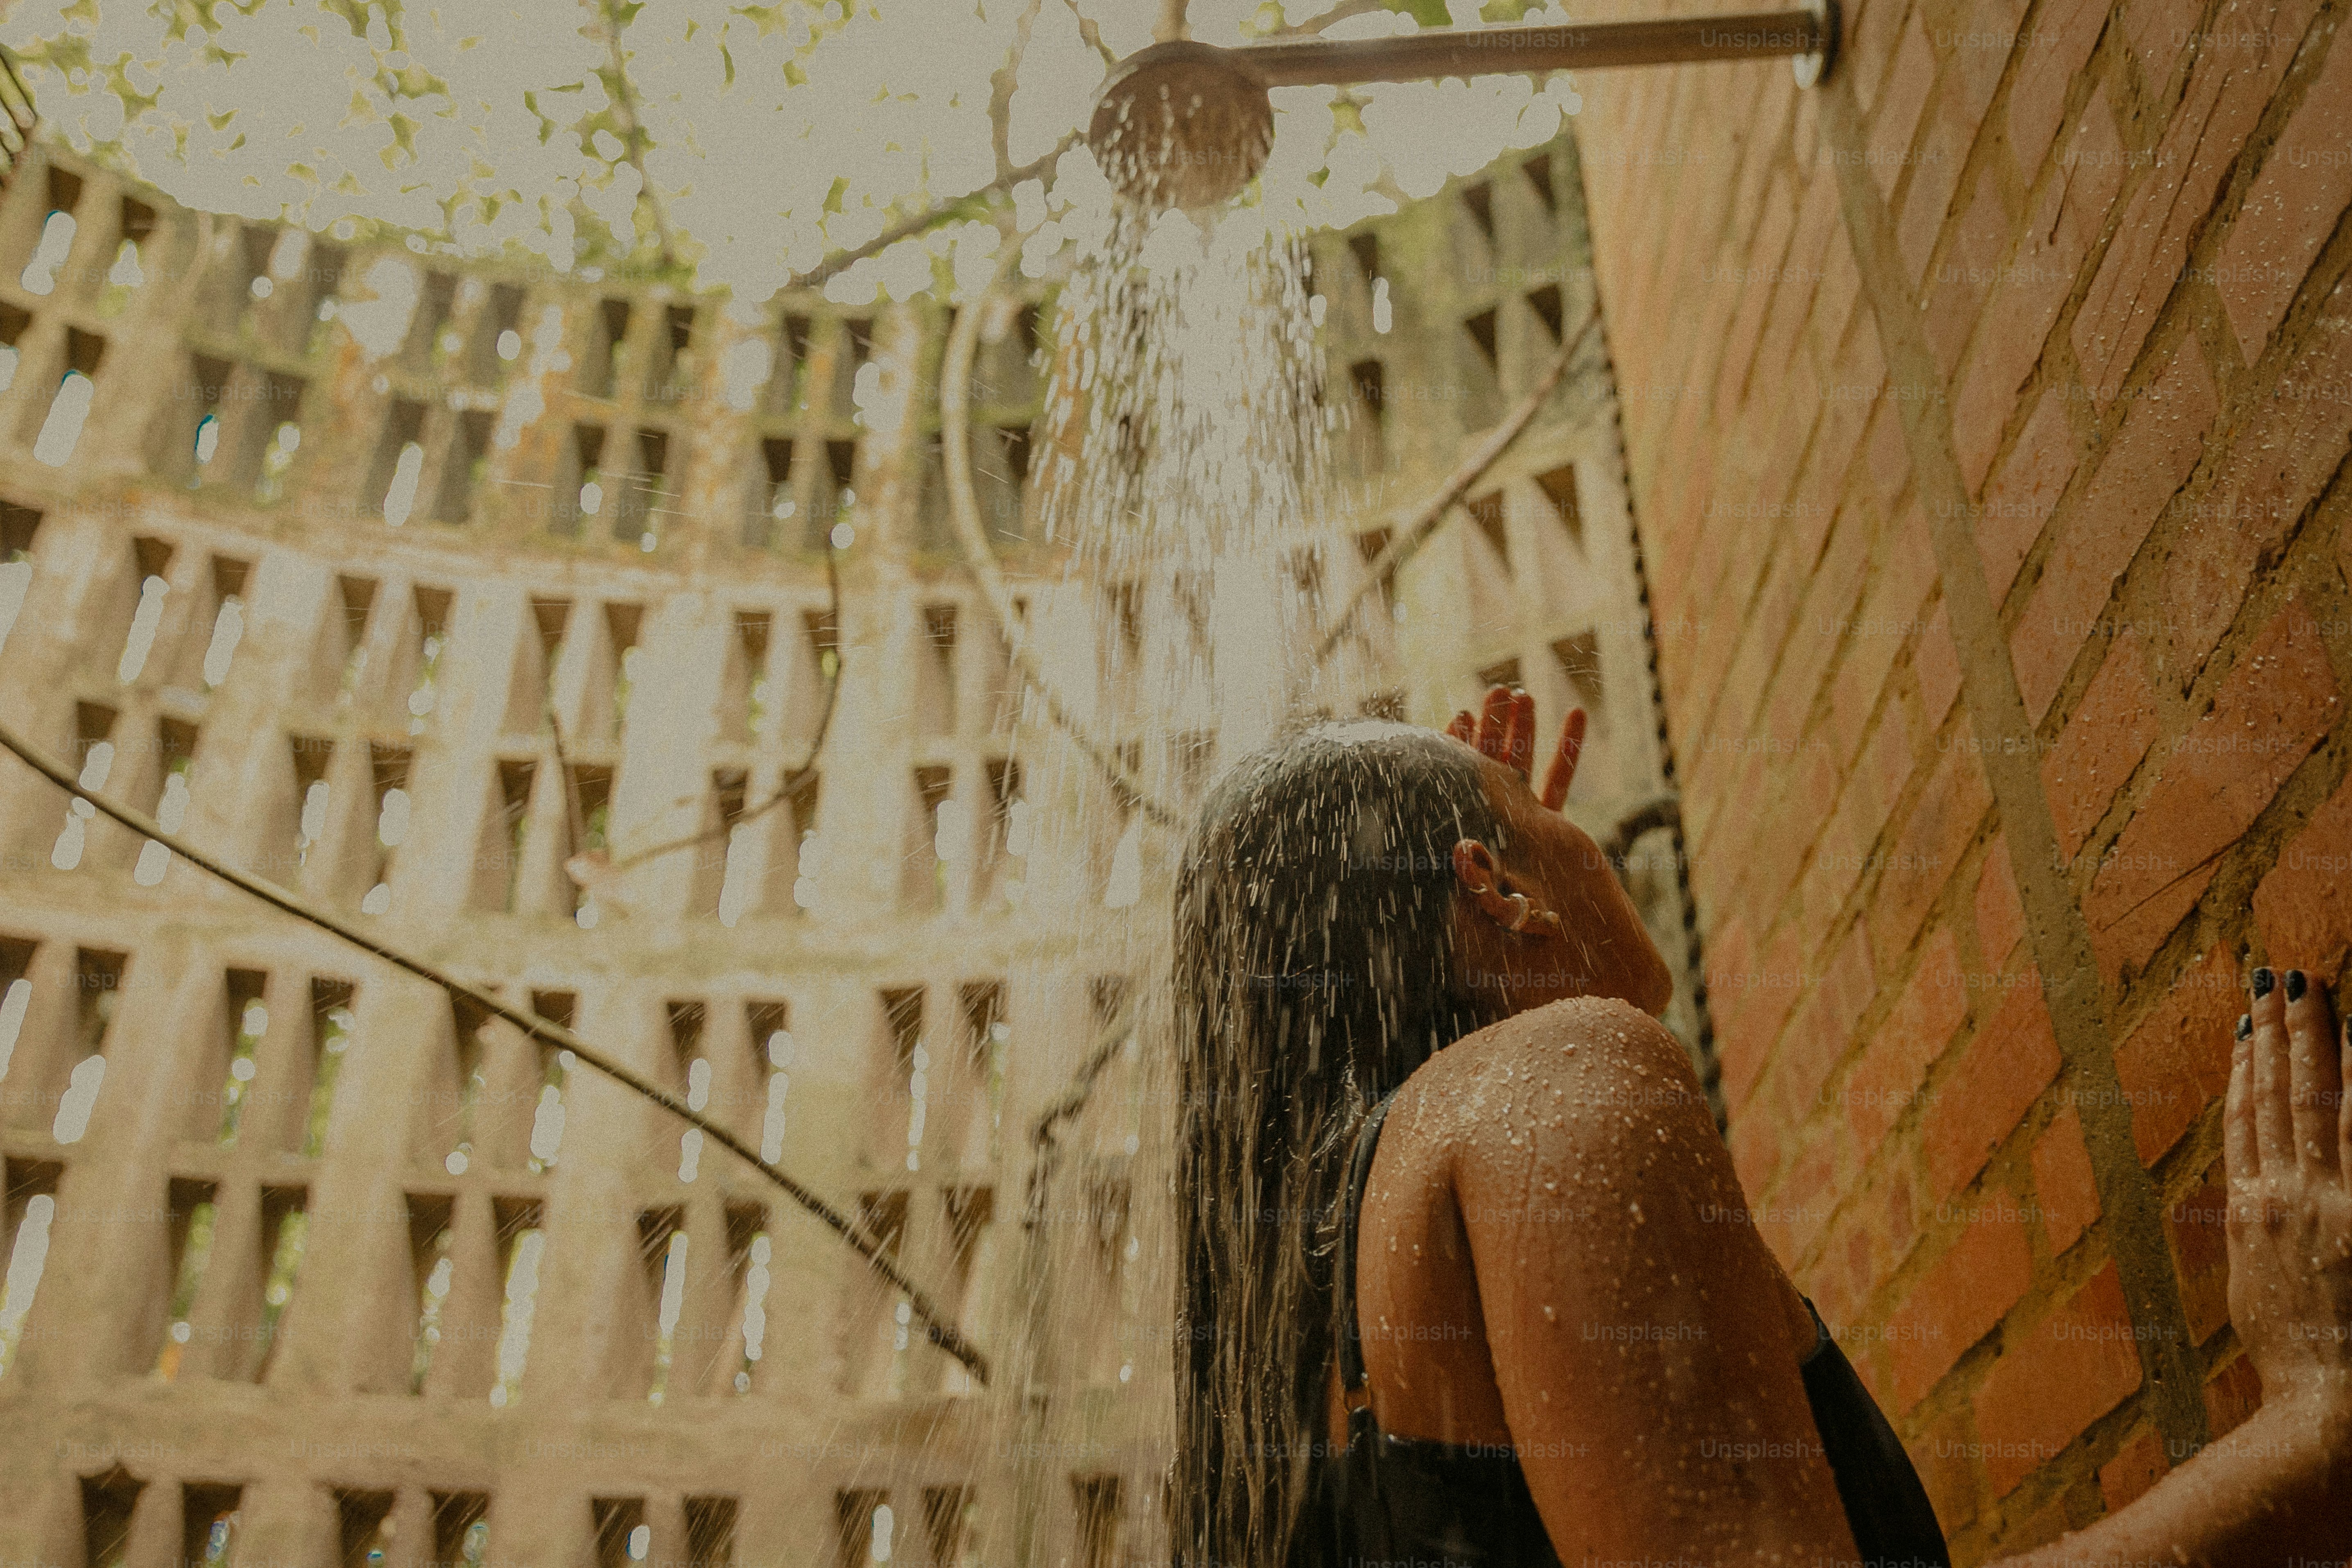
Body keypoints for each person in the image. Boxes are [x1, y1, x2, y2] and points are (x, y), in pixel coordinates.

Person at [1170, 686, 2352, 1568]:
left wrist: (1527, 912)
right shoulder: (1547, 1078)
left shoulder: (1317, 1323)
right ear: (1491, 890)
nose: (1594, 847)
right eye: (1542, 823)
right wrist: (2313, 1425)